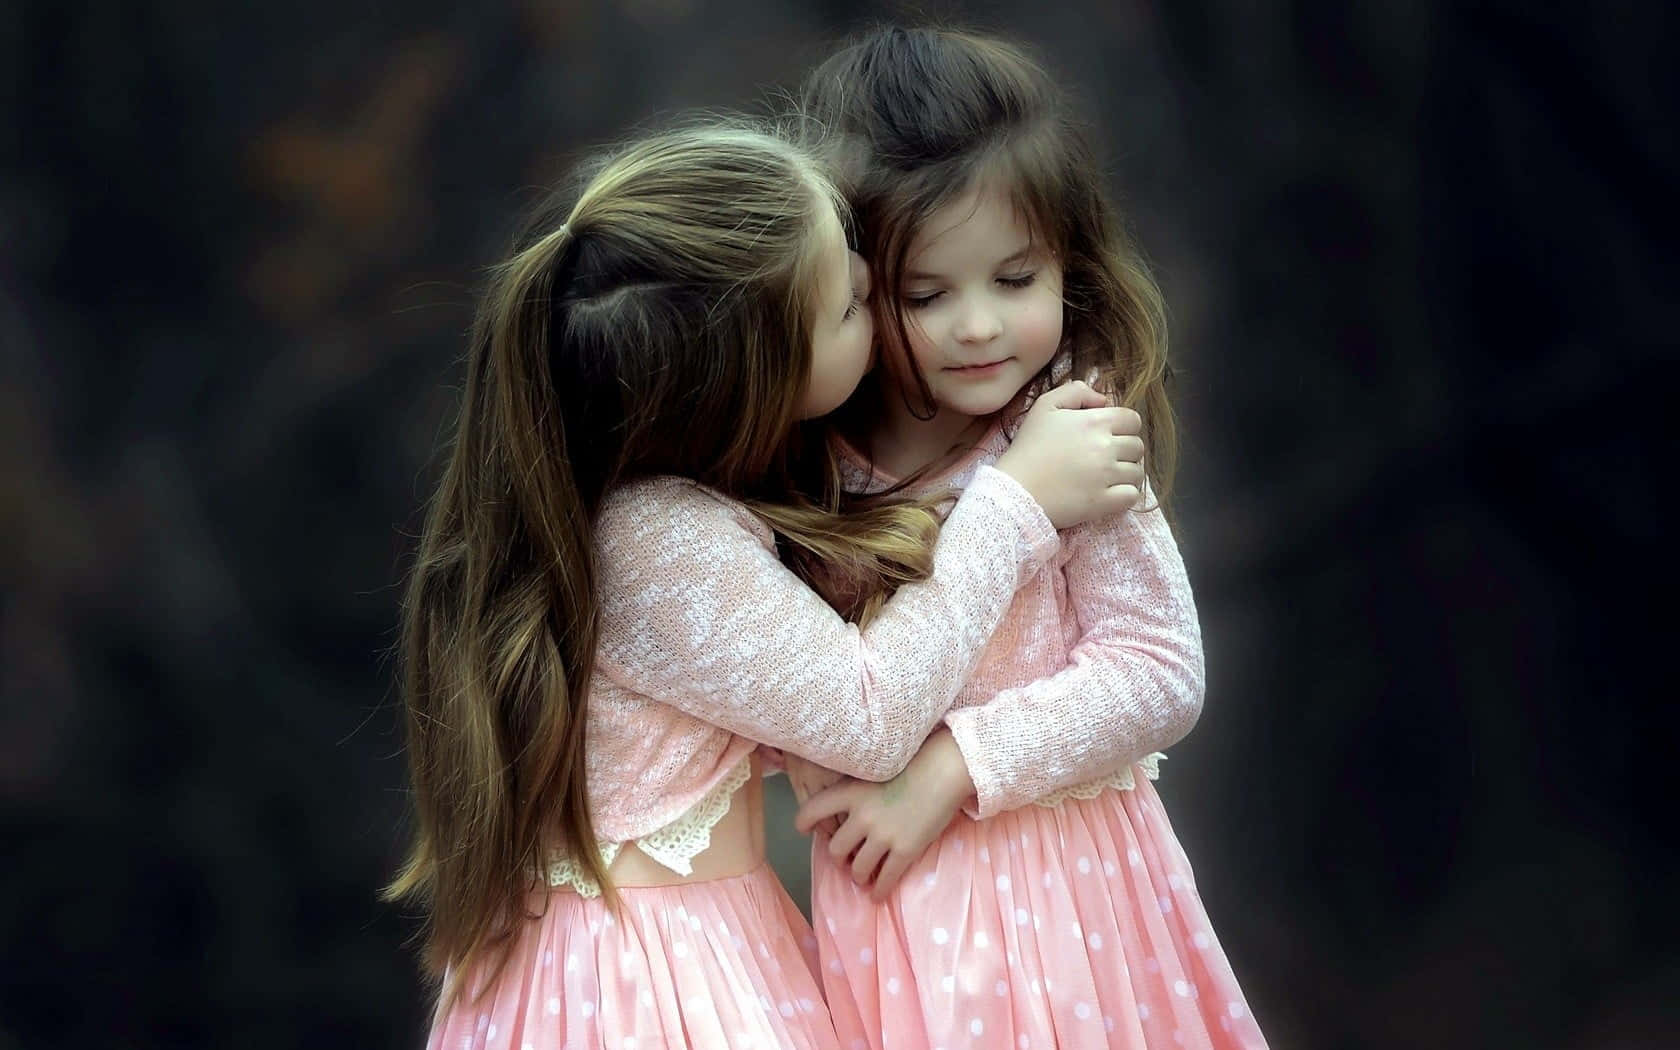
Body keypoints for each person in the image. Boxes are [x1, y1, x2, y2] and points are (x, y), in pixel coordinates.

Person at [385, 121, 1145, 1049]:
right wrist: (1014, 503)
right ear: (758, 374)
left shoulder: (647, 521)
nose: (883, 308)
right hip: (652, 989)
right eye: (853, 305)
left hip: (684, 949)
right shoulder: (658, 541)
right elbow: (866, 716)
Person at [787, 28, 1270, 1048]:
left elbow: (1157, 668)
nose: (979, 327)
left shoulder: (1062, 433)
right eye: (928, 294)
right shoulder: (802, 473)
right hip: (896, 924)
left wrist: (952, 769)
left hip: (1078, 912)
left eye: (1016, 279)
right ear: (853, 287)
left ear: (1068, 260)